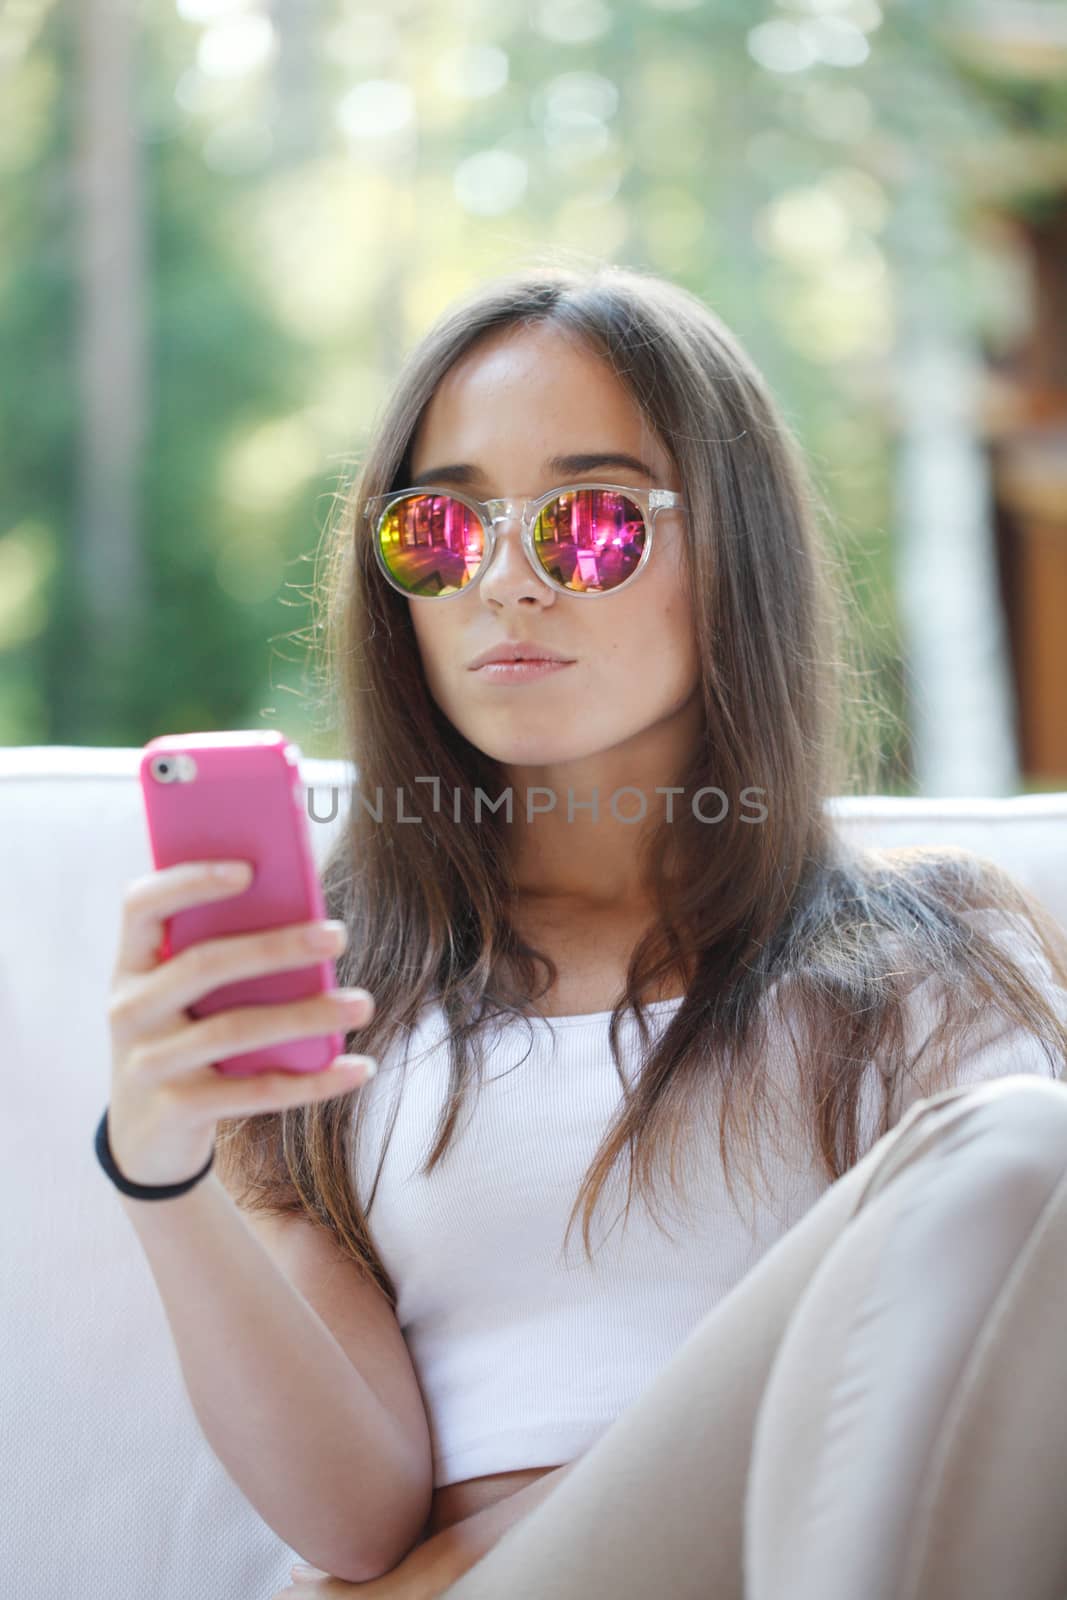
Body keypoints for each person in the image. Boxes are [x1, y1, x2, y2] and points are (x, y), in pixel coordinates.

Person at [102, 263, 1067, 1600]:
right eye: (441, 529)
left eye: (592, 523)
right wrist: (159, 1170)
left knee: (1026, 1151)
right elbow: (352, 1521)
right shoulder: (345, 984)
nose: (506, 579)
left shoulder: (930, 953)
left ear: (735, 552)